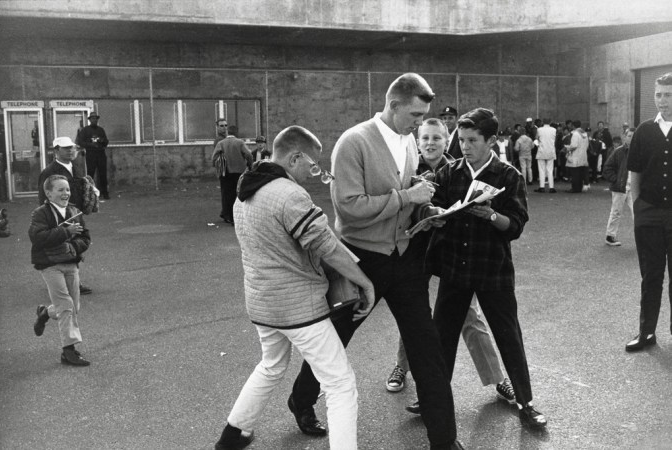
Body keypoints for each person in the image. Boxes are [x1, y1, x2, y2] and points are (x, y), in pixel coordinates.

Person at [289, 73, 464, 450]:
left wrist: (426, 205)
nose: (421, 123)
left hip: (406, 259)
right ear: (394, 104)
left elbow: (405, 194)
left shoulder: (408, 142)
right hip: (362, 260)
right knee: (335, 341)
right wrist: (407, 197)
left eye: (424, 116)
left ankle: (445, 440)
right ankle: (301, 401)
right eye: (415, 114)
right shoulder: (354, 142)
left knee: (426, 349)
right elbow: (348, 209)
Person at [213, 126, 375, 450]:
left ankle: (233, 435)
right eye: (311, 165)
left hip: (262, 305)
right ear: (295, 156)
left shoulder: (245, 192)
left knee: (271, 365)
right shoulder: (289, 194)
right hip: (299, 309)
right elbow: (326, 246)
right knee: (341, 384)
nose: (313, 173)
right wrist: (364, 282)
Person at [419, 107, 548, 429]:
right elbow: (433, 207)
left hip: (493, 271)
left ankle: (526, 402)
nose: (464, 146)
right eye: (461, 140)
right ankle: (434, 401)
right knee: (442, 338)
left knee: (509, 337)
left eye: (472, 140)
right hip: (454, 270)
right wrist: (434, 212)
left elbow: (515, 226)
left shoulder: (508, 176)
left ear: (491, 141)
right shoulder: (451, 173)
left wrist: (491, 215)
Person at [386, 118, 516, 409]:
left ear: (448, 141)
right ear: (417, 142)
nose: (430, 143)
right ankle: (403, 367)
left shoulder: (458, 169)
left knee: (470, 317)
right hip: (415, 251)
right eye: (425, 138)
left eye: (437, 138)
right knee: (415, 316)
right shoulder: (406, 167)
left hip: (451, 255)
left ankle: (497, 378)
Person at [625, 72, 672, 352]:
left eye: (668, 95)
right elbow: (635, 173)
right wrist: (638, 209)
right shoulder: (644, 130)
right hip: (649, 214)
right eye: (658, 95)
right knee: (651, 276)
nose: (662, 101)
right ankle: (647, 333)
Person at [30, 175, 91, 366]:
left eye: (67, 189)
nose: (65, 193)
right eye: (60, 190)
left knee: (73, 307)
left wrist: (75, 247)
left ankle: (45, 313)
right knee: (65, 305)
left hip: (70, 263)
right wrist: (66, 232)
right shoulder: (41, 213)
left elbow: (86, 237)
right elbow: (37, 237)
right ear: (48, 193)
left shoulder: (74, 211)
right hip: (49, 264)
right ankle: (68, 351)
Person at [38, 136, 93, 295]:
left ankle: (73, 282)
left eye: (72, 147)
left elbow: (80, 187)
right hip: (60, 216)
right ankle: (66, 284)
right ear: (56, 151)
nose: (70, 150)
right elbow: (44, 197)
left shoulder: (74, 166)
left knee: (77, 246)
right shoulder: (49, 172)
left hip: (75, 214)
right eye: (65, 148)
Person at [212, 125, 253, 225]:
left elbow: (214, 157)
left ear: (228, 132)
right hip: (239, 172)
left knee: (227, 194)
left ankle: (228, 216)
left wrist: (217, 166)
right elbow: (248, 154)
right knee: (238, 193)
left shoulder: (221, 143)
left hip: (225, 172)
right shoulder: (240, 142)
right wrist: (250, 164)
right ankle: (238, 216)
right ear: (236, 133)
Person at [603, 127, 635, 246]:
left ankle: (641, 238)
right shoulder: (618, 151)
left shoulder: (641, 151)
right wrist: (616, 180)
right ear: (624, 137)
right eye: (629, 136)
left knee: (638, 213)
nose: (631, 138)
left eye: (634, 136)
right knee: (616, 212)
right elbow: (607, 168)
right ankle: (610, 236)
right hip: (620, 187)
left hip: (635, 188)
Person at [77, 111, 110, 200]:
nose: (94, 120)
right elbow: (80, 142)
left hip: (101, 153)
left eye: (95, 118)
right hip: (91, 154)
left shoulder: (101, 130)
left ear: (97, 119)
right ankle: (90, 193)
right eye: (92, 118)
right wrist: (91, 145)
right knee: (90, 174)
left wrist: (102, 141)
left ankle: (104, 193)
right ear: (90, 120)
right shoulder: (85, 130)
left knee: (103, 173)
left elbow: (106, 142)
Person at [565, 120, 589, 193]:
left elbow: (574, 145)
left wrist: (568, 147)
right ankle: (579, 188)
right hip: (583, 155)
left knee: (575, 173)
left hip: (575, 155)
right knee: (580, 173)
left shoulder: (575, 134)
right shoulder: (584, 133)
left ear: (573, 126)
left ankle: (575, 188)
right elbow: (587, 145)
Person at [535, 118, 557, 193]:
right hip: (551, 151)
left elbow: (535, 139)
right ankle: (551, 187)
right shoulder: (554, 130)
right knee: (550, 170)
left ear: (542, 122)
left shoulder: (539, 129)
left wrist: (538, 145)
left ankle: (542, 187)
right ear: (550, 122)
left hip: (541, 151)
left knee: (541, 170)